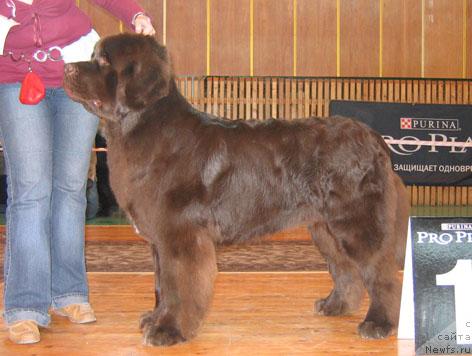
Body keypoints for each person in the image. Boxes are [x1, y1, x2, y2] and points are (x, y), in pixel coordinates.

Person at [0, 0, 155, 344]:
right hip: (15, 77)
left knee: (71, 190)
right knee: (30, 192)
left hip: (77, 75)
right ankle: (25, 306)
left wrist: (136, 15)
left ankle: (69, 293)